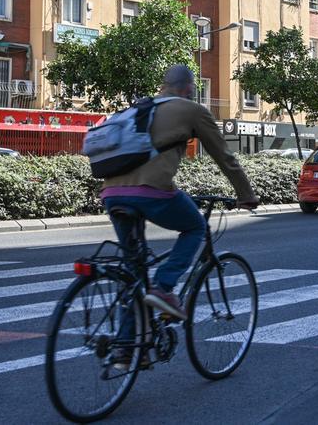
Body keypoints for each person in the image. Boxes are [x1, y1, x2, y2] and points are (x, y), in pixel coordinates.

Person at [101, 65, 258, 324]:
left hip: (111, 193)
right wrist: (246, 194)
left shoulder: (140, 107)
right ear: (188, 88)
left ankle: (125, 350)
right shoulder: (193, 110)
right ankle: (164, 287)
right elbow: (225, 157)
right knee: (196, 227)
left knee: (134, 272)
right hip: (150, 191)